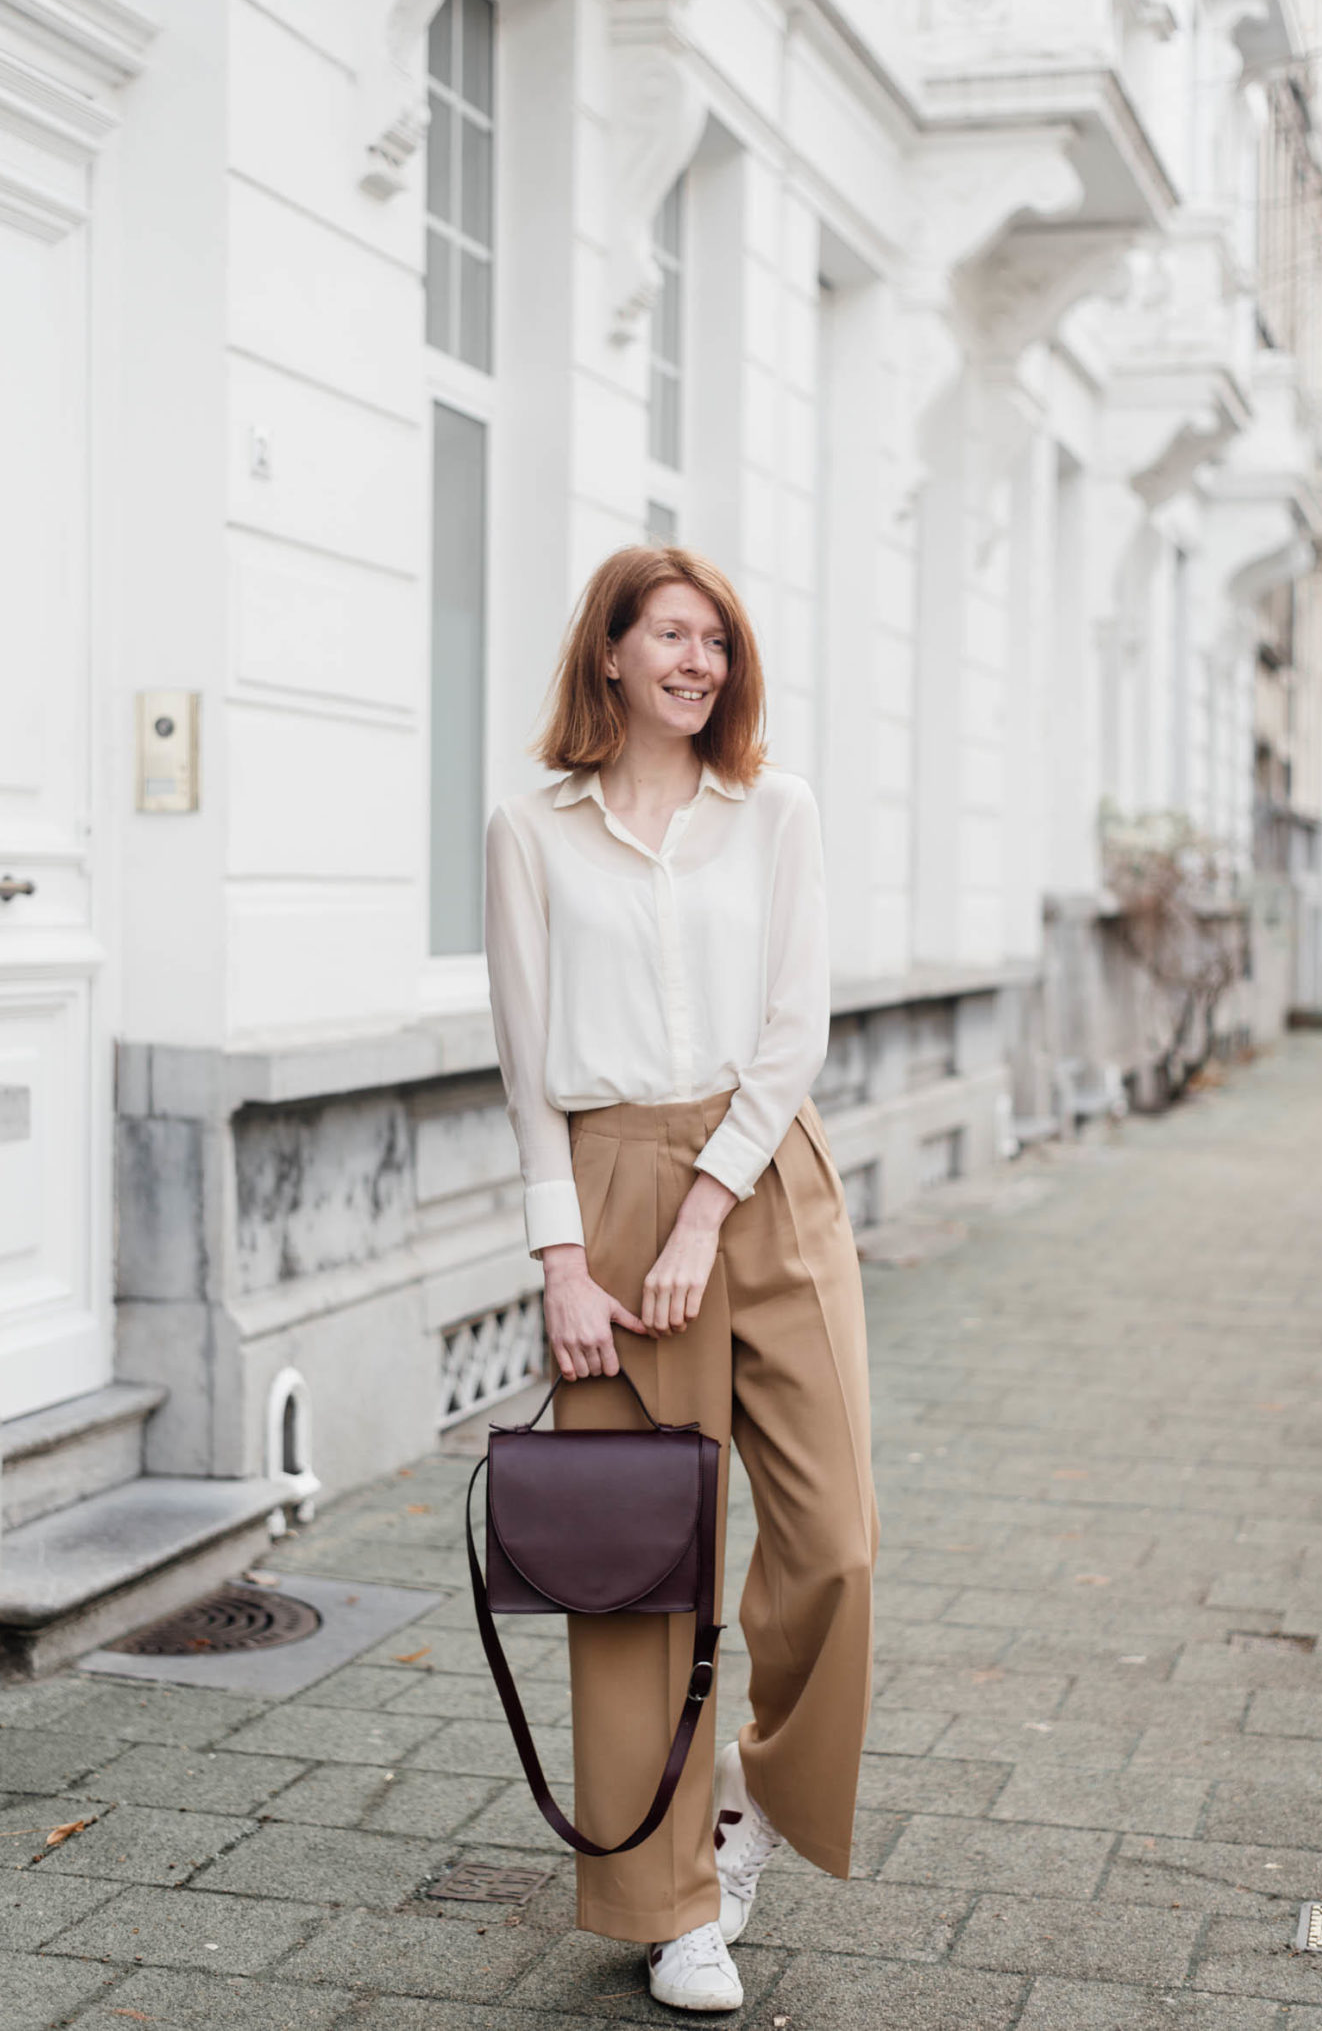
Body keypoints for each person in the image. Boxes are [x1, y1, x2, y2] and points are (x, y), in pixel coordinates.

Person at [484, 543, 877, 2013]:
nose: (699, 660)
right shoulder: (533, 831)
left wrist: (712, 1204)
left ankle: (755, 1803)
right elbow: (527, 1068)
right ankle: (669, 1903)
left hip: (765, 1179)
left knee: (835, 1533)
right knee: (641, 1563)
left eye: (717, 638)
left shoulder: (776, 812)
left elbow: (794, 1024)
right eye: (670, 635)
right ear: (609, 656)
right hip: (609, 1184)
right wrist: (563, 1259)